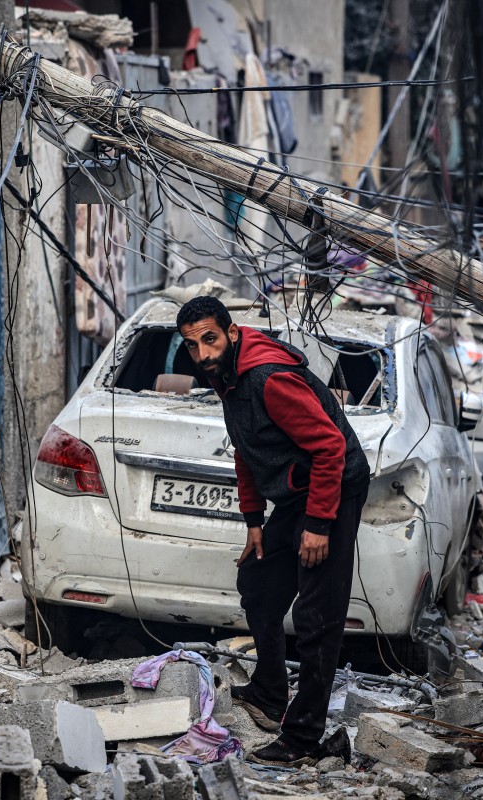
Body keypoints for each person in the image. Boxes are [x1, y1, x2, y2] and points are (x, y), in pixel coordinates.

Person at [175, 296, 370, 767]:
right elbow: (246, 448)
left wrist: (320, 525)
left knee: (317, 616)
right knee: (259, 582)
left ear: (232, 333)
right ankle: (268, 693)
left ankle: (303, 737)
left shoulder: (268, 378)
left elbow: (328, 448)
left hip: (333, 487)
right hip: (295, 492)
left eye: (210, 339)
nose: (202, 354)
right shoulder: (228, 378)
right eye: (192, 346)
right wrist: (253, 523)